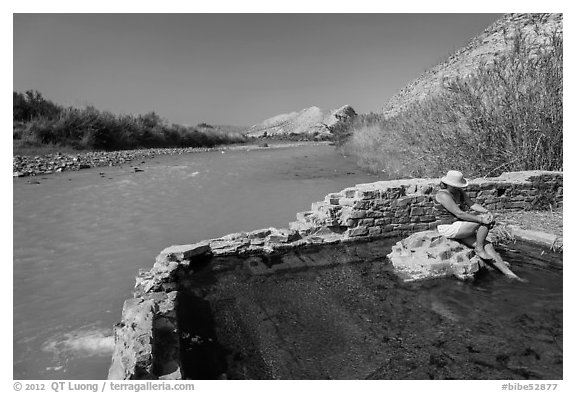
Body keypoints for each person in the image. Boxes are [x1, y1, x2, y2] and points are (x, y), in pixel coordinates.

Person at [434, 170, 523, 281]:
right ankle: (479, 248)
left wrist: (487, 212)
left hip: (461, 226)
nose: (457, 187)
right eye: (455, 186)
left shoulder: (459, 192)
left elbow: (472, 204)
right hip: (448, 227)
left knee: (488, 245)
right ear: (448, 184)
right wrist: (481, 219)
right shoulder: (442, 194)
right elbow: (459, 213)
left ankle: (509, 274)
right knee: (482, 222)